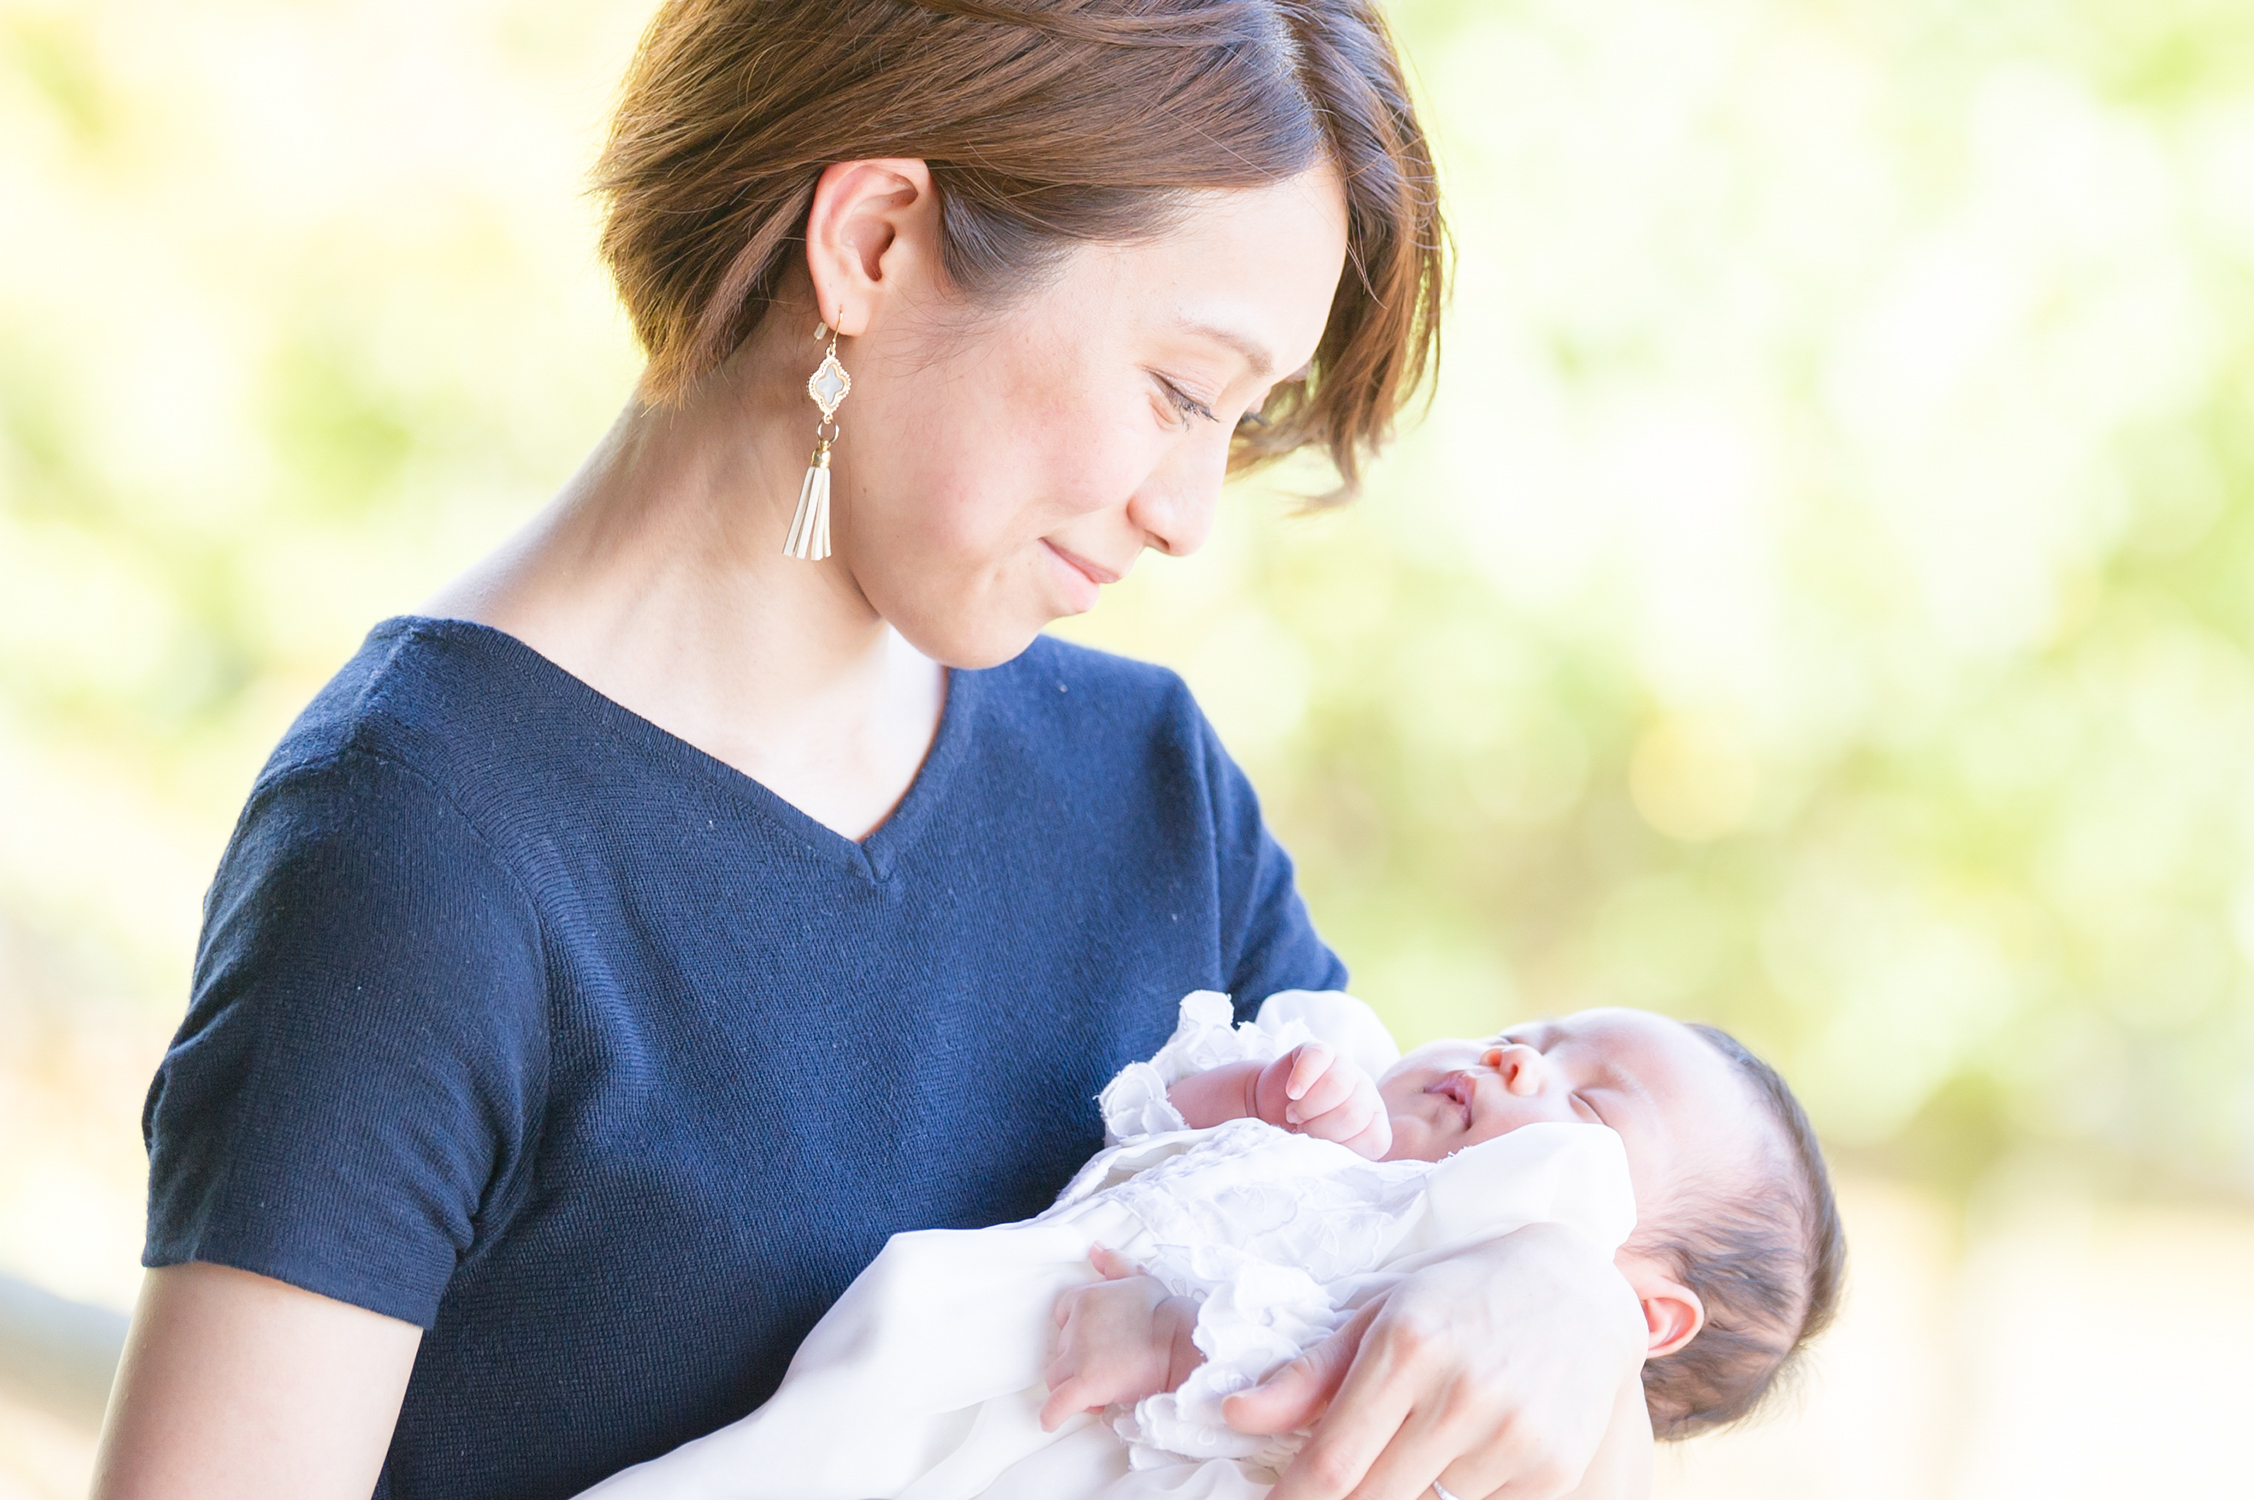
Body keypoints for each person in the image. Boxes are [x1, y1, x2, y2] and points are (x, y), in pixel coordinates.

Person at [89, 4, 1661, 1499]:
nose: (1189, 513)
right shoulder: (426, 850)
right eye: (1180, 391)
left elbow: (1412, 1291)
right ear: (876, 241)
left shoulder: (1148, 795)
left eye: (1236, 425)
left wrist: (1559, 1292)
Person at [566, 991, 1845, 1499]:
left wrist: (1180, 1335)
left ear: (1645, 1312)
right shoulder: (1348, 1114)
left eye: (1588, 1098)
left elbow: (1316, 1384)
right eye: (1542, 1031)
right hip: (948, 1351)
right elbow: (1139, 1127)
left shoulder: (1464, 1269)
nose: (1518, 1059)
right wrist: (1257, 1099)